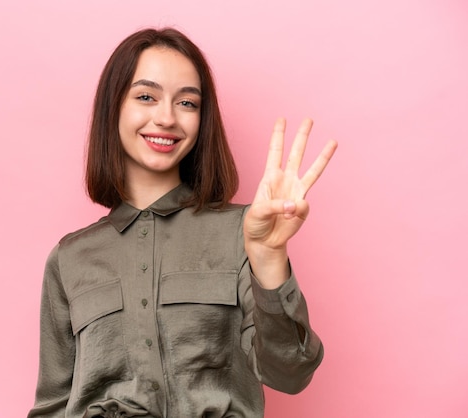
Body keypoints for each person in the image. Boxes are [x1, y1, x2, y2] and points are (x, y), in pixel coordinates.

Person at [27, 27, 337, 418]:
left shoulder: (243, 233)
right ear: (114, 108)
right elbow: (52, 407)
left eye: (187, 103)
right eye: (146, 97)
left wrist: (270, 256)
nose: (167, 117)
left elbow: (290, 374)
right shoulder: (69, 258)